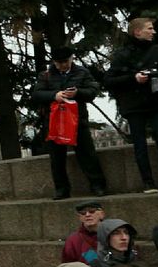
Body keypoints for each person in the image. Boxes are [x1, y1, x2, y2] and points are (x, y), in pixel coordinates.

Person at [105, 15, 158, 192]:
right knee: (139, 144)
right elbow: (110, 80)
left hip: (157, 101)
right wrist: (134, 78)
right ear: (137, 32)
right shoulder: (123, 55)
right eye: (149, 28)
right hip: (134, 105)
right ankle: (147, 182)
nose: (153, 32)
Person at [32, 45, 109, 200]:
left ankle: (97, 185)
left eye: (65, 62)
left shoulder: (82, 72)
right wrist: (55, 95)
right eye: (59, 63)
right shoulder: (46, 75)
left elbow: (93, 91)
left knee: (87, 154)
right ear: (54, 62)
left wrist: (77, 93)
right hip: (54, 121)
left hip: (77, 120)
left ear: (71, 59)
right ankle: (61, 189)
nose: (62, 65)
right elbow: (37, 94)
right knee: (57, 158)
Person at [60, 199, 104, 265]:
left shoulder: (112, 234)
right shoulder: (73, 240)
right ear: (80, 217)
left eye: (92, 211)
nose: (87, 215)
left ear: (102, 214)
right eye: (83, 213)